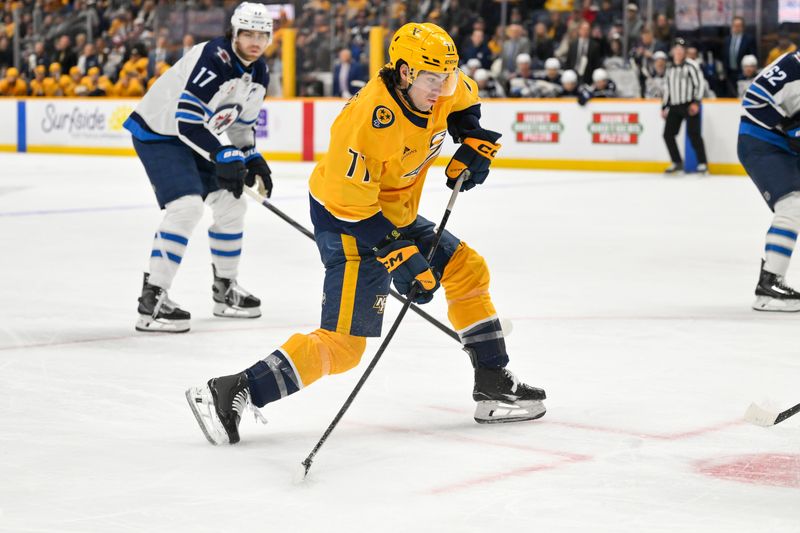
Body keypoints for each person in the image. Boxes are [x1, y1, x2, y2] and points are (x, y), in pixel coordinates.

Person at [186, 22, 547, 446]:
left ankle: (493, 383)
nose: (443, 87)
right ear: (406, 73)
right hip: (348, 222)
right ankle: (230, 390)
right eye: (433, 79)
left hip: (394, 212)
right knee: (343, 346)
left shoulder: (441, 86)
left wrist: (469, 139)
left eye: (447, 76)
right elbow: (348, 205)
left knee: (467, 269)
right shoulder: (366, 122)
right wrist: (399, 254)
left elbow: (464, 102)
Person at [122, 2, 274, 332]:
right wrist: (223, 155)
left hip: (195, 135)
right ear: (234, 33)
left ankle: (226, 291)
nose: (255, 41)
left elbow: (239, 127)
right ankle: (153, 301)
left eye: (262, 35)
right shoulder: (215, 57)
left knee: (233, 203)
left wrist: (249, 156)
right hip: (159, 132)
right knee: (187, 207)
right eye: (248, 33)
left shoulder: (259, 71)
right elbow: (186, 120)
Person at [737, 50, 800, 311]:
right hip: (762, 143)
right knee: (792, 205)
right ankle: (769, 286)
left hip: (776, 140)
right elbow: (757, 105)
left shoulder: (793, 61)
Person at [661, 38, 708, 175]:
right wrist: (664, 106)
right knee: (668, 134)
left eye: (681, 49)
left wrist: (696, 102)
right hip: (675, 106)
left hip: (689, 104)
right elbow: (667, 88)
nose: (679, 52)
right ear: (673, 51)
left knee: (694, 134)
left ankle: (702, 163)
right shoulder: (670, 69)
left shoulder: (691, 65)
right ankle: (677, 162)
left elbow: (700, 84)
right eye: (676, 49)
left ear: (685, 51)